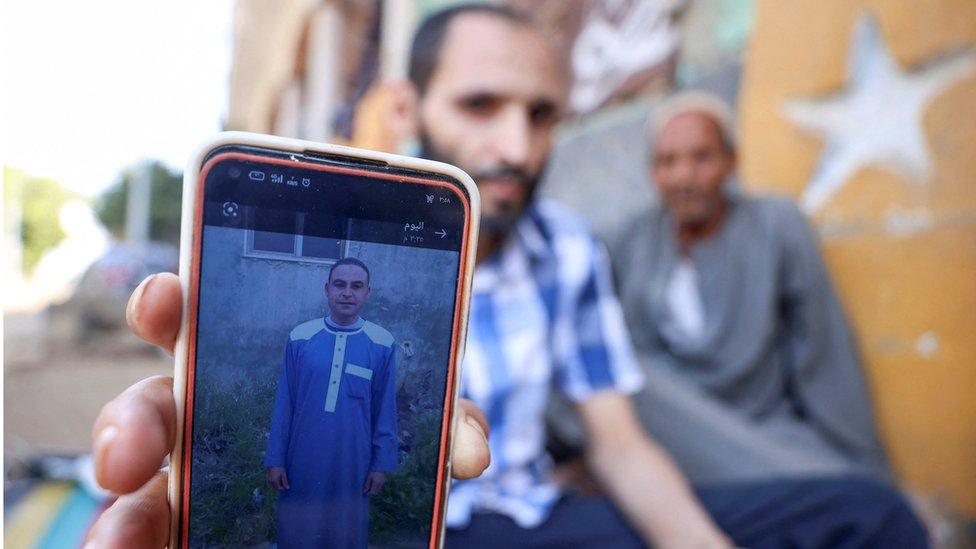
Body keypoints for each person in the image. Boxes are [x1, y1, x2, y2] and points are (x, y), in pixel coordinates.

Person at [87, 4, 927, 548]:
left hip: (538, 517)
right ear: (411, 111)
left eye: (541, 114)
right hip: (401, 525)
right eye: (482, 106)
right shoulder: (315, 303)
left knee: (872, 514)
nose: (518, 148)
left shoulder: (566, 247)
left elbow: (622, 443)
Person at [614, 90, 892, 484]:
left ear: (731, 160)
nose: (683, 177)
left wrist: (868, 467)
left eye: (702, 157)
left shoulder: (774, 225)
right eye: (667, 162)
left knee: (849, 494)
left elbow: (824, 354)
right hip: (673, 440)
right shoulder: (633, 242)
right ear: (651, 171)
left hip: (763, 431)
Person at [264, 258, 398, 548]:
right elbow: (284, 403)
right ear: (327, 289)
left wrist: (380, 465)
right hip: (303, 457)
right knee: (297, 529)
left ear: (367, 293)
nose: (347, 292)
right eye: (340, 284)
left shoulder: (382, 343)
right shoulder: (301, 338)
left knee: (345, 532)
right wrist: (276, 459)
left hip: (353, 460)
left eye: (356, 286)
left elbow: (384, 411)